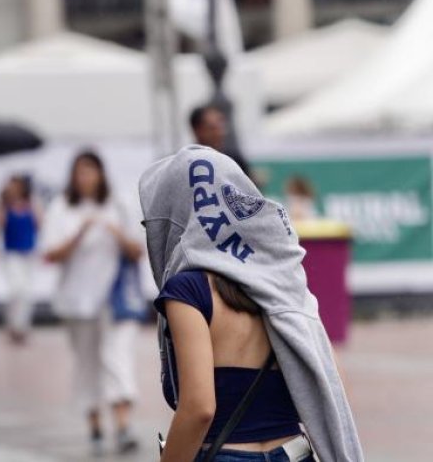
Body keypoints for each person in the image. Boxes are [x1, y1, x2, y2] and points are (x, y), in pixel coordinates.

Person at [140, 146, 362, 461]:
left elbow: (199, 408)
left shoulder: (188, 291)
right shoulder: (283, 281)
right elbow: (329, 377)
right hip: (294, 453)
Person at [42, 151, 141, 456]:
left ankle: (123, 425)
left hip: (115, 299)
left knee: (117, 358)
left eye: (91, 171)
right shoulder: (61, 207)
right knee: (87, 364)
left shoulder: (118, 204)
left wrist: (115, 232)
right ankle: (96, 427)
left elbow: (137, 249)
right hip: (77, 301)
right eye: (80, 172)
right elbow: (50, 254)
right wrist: (80, 233)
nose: (85, 178)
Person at [0, 174, 40, 344]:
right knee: (16, 289)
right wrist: (3, 202)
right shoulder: (5, 206)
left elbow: (39, 222)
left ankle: (22, 326)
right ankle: (13, 324)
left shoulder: (31, 204)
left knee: (27, 292)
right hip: (11, 253)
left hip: (29, 253)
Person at [189, 105, 251, 175]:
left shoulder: (234, 161)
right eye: (213, 128)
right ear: (197, 130)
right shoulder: (185, 162)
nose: (220, 133)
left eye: (222, 127)